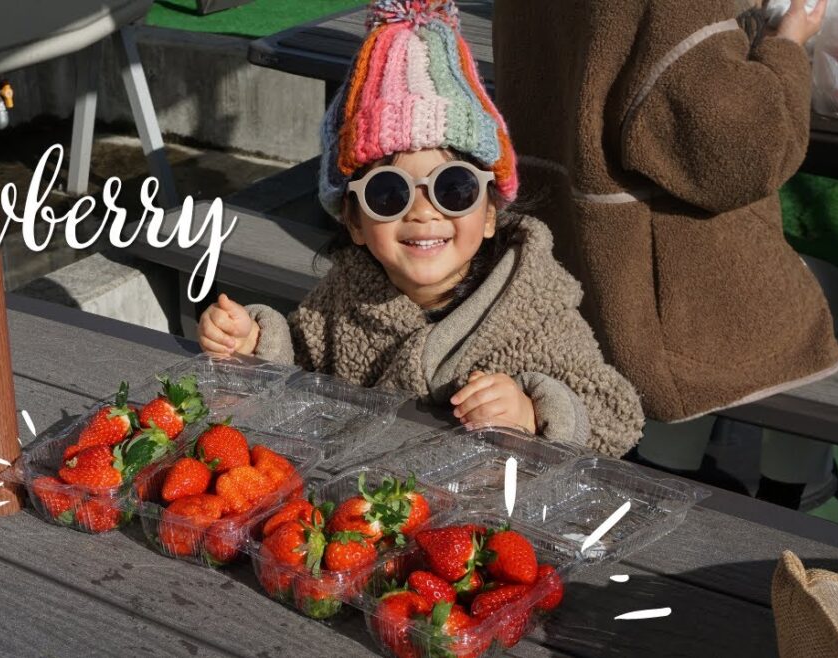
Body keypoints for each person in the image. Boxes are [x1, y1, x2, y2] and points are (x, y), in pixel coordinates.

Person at [197, 0, 644, 457]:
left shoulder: (537, 313)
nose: (424, 211)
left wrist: (533, 412)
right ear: (353, 220)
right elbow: (301, 365)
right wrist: (254, 343)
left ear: (490, 213)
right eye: (389, 194)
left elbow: (617, 418)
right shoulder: (344, 298)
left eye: (454, 188)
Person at [492, 0, 838, 508]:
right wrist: (788, 45)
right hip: (647, 299)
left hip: (559, 259)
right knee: (837, 305)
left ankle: (671, 469)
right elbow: (740, 155)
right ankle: (781, 502)